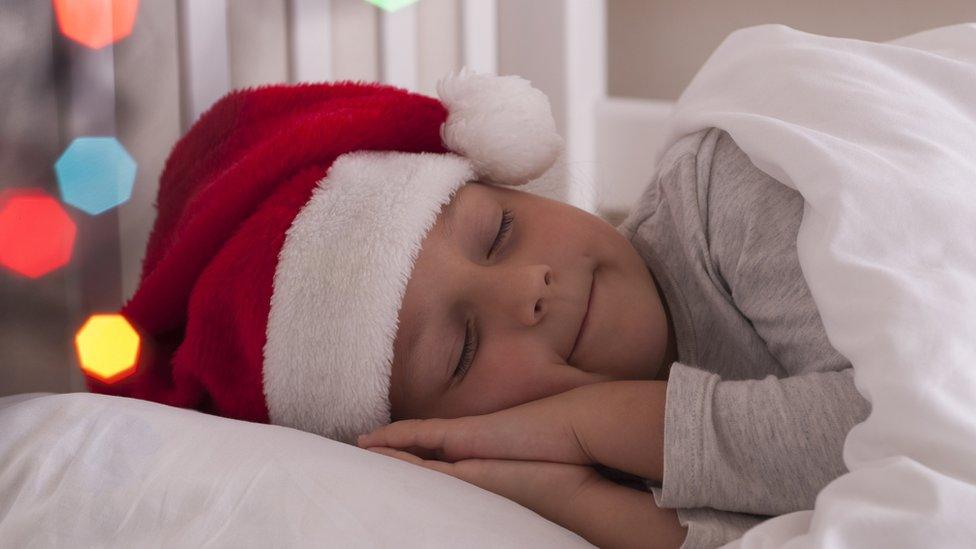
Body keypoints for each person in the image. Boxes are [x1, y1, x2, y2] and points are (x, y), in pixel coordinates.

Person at [86, 69, 870, 549]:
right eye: (462, 349)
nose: (525, 290)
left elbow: (892, 427)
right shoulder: (590, 477)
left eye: (499, 232)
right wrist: (570, 494)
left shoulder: (725, 190)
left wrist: (584, 424)